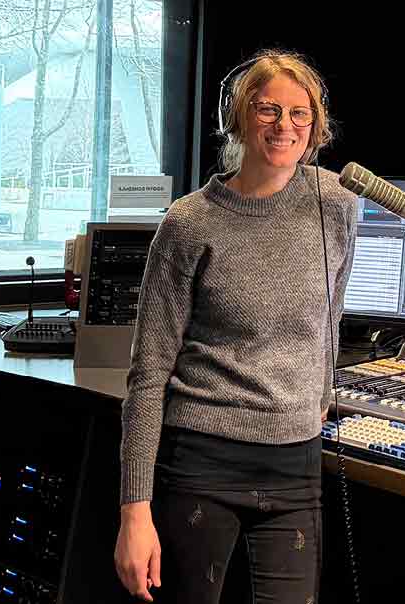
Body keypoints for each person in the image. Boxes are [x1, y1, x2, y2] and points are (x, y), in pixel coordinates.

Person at [113, 49, 356, 603]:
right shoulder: (189, 223)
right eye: (269, 110)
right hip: (201, 461)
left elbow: (331, 316)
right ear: (238, 117)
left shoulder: (337, 205)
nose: (285, 126)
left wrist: (317, 393)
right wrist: (134, 513)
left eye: (300, 114)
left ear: (316, 127)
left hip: (296, 465)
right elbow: (148, 376)